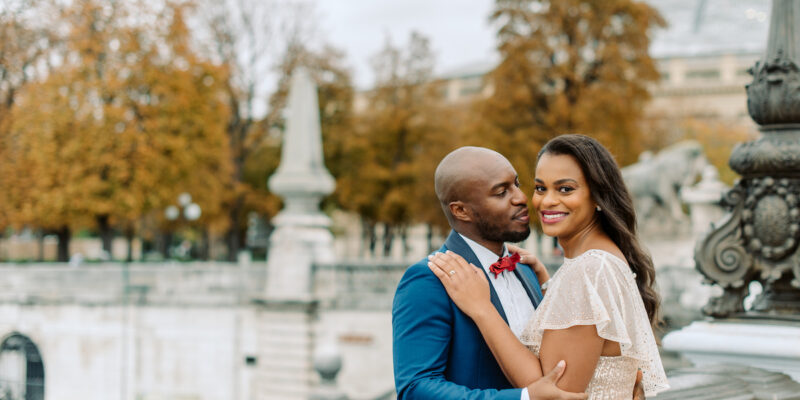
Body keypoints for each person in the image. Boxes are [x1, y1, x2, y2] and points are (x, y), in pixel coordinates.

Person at [392, 145, 643, 399]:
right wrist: (523, 397)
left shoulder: (527, 269)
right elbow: (415, 389)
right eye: (502, 192)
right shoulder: (430, 279)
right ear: (461, 211)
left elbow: (563, 358)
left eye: (517, 184)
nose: (522, 198)